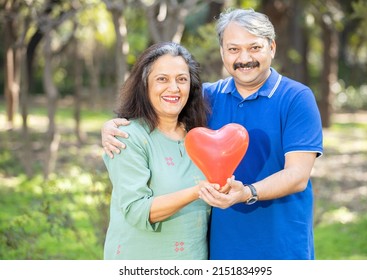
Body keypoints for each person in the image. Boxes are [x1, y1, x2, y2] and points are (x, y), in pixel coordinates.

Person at [101, 8, 323, 260]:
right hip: (220, 248)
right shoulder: (207, 98)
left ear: (271, 48)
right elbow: (163, 107)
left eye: (254, 47)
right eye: (233, 49)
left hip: (279, 245)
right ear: (222, 52)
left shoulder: (296, 98)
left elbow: (297, 176)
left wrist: (247, 192)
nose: (244, 58)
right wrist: (113, 126)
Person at [102, 42, 212, 260]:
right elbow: (137, 210)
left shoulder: (200, 136)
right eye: (162, 79)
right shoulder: (128, 137)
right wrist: (199, 191)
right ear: (144, 85)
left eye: (182, 79)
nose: (174, 88)